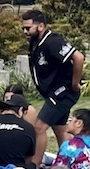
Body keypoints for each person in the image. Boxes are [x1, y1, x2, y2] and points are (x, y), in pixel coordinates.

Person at [23, 9, 84, 153]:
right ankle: (69, 162)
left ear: (41, 26)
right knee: (60, 130)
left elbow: (79, 57)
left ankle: (34, 166)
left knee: (39, 127)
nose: (25, 32)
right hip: (51, 92)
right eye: (23, 28)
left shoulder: (52, 42)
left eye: (28, 28)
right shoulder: (35, 42)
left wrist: (75, 83)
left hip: (63, 92)